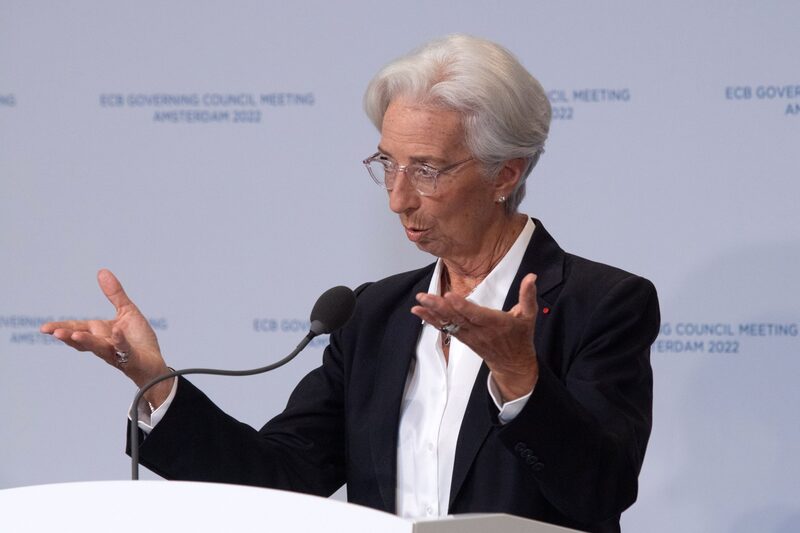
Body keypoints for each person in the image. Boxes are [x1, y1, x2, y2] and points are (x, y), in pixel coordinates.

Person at [41, 34, 659, 533]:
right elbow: (282, 477)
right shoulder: (375, 315)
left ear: (506, 174)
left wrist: (522, 378)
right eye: (388, 163)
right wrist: (156, 383)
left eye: (426, 170)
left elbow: (600, 490)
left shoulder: (600, 304)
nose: (397, 197)